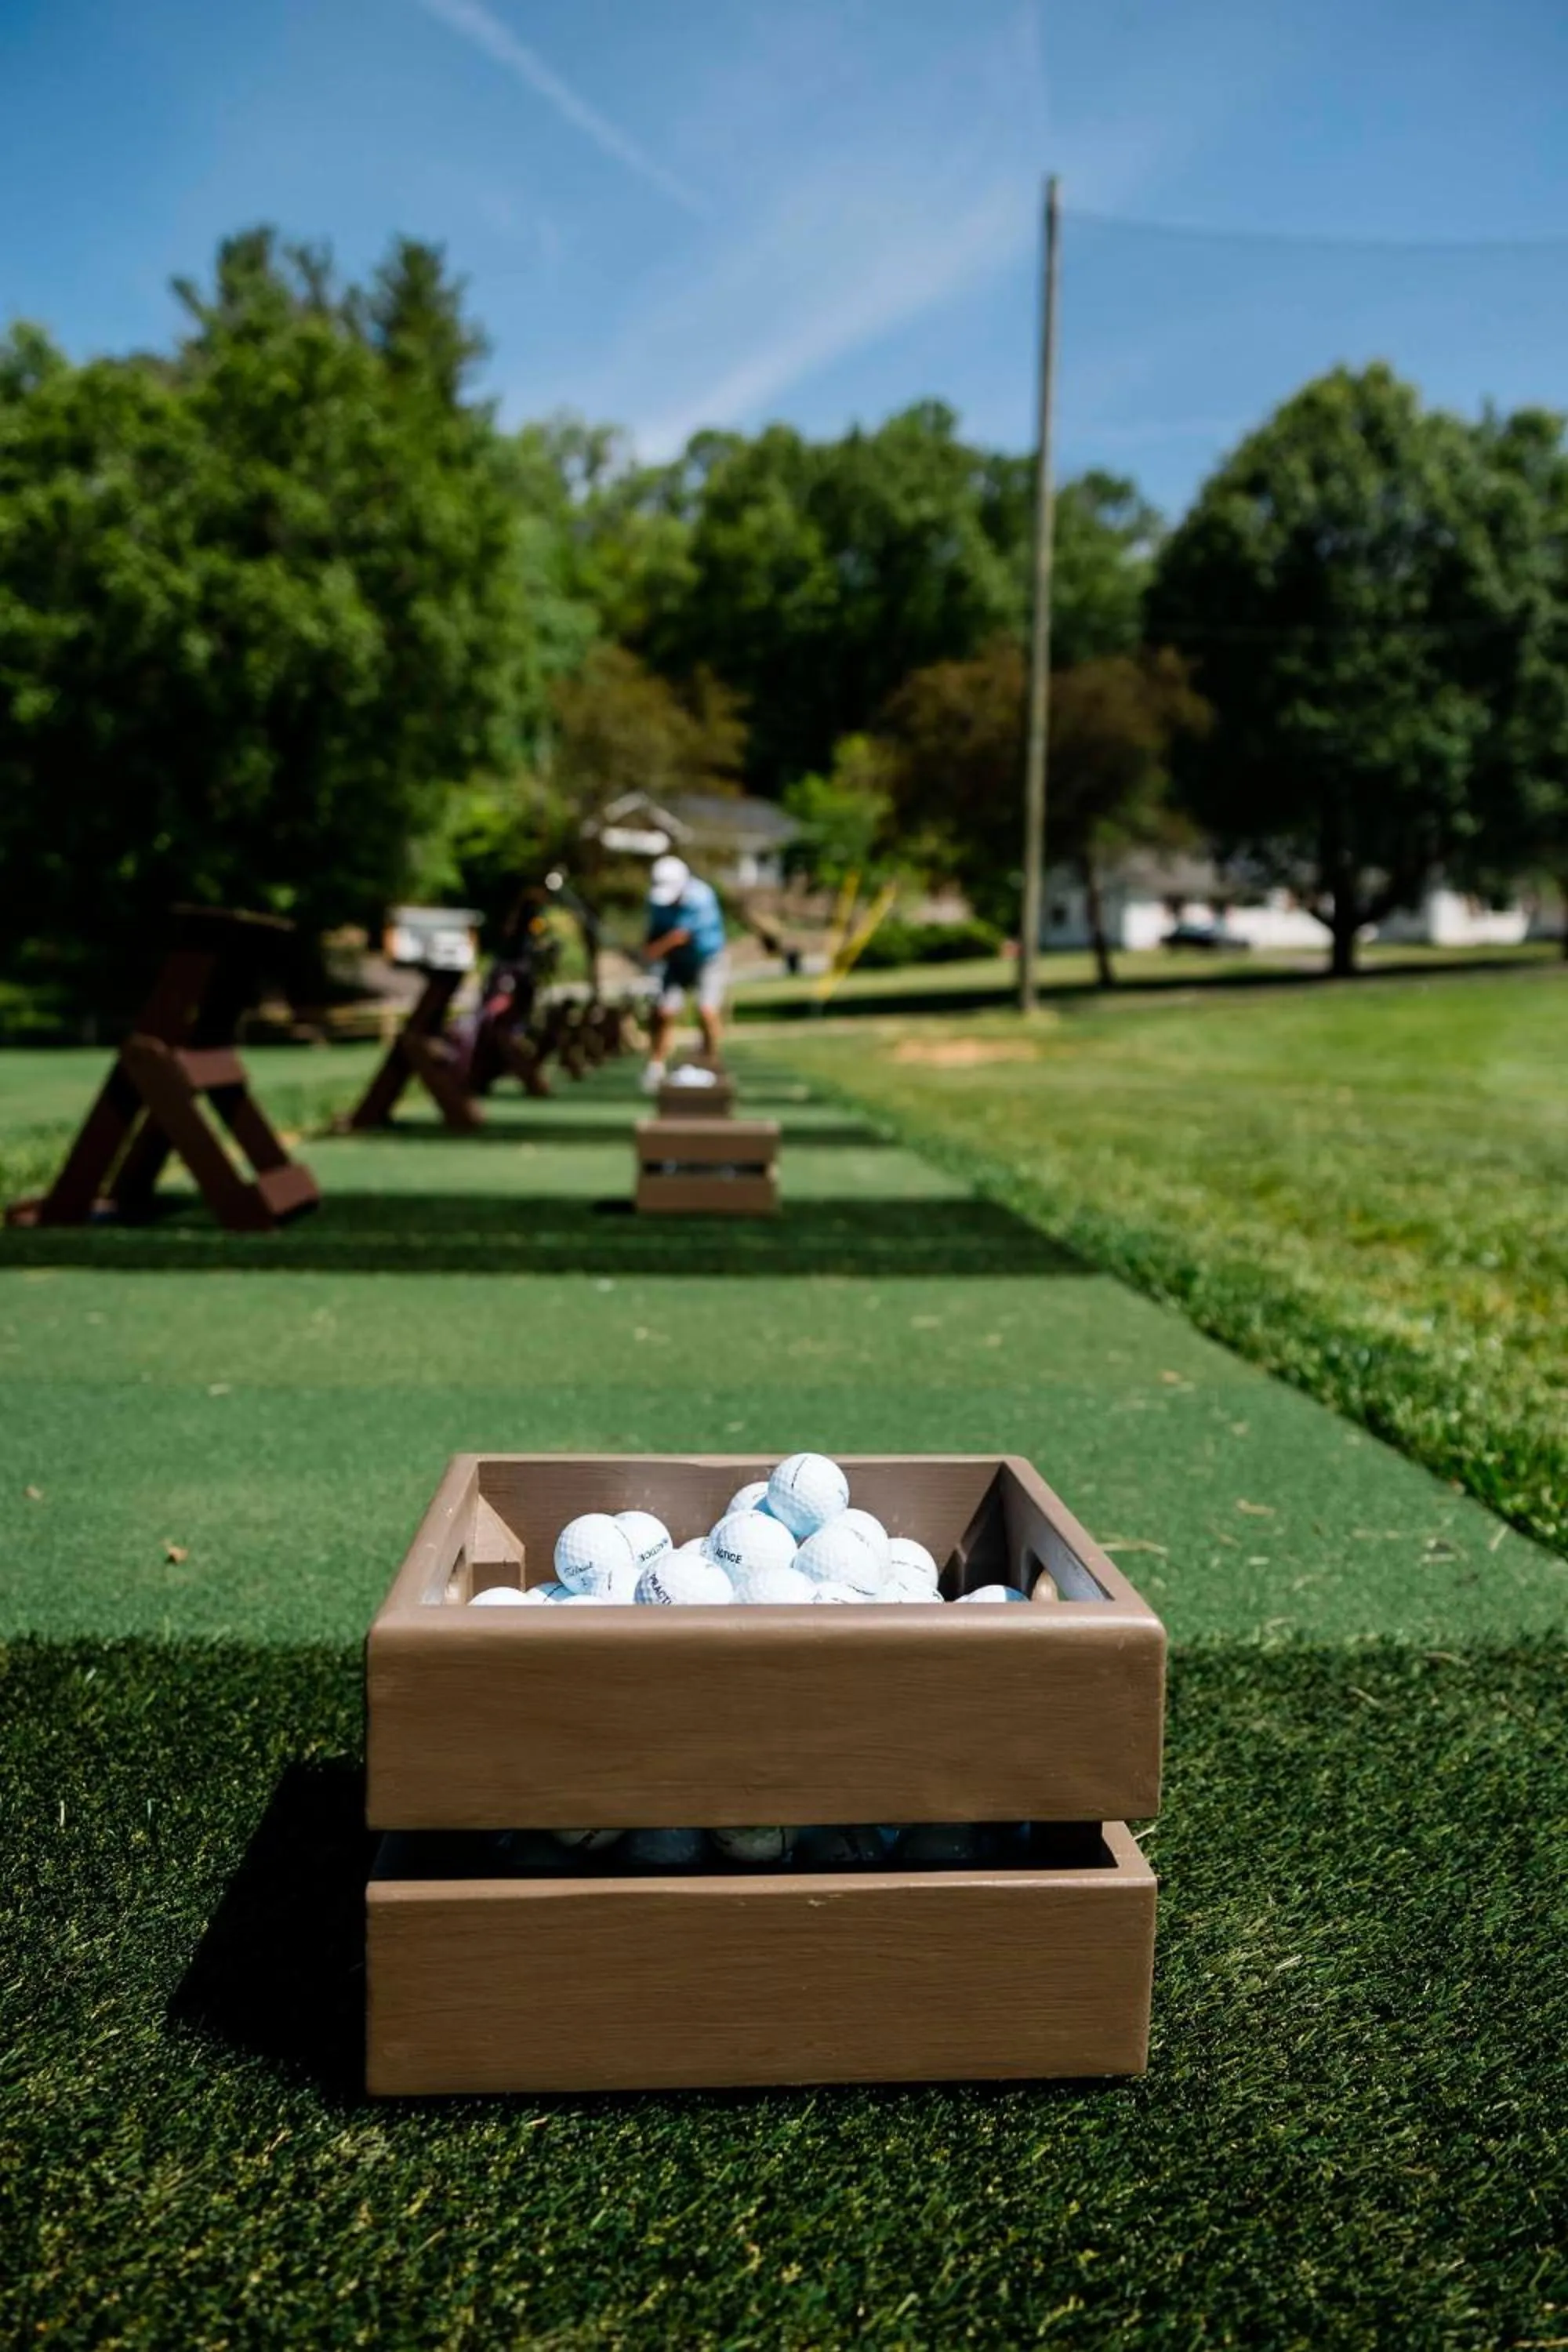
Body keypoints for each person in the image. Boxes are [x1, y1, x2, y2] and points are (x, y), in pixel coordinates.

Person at [641, 854, 728, 1093]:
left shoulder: (702, 897)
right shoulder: (656, 901)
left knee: (707, 1012)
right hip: (675, 963)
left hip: (707, 960)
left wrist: (652, 951)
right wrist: (647, 949)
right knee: (664, 1011)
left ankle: (711, 1064)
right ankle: (656, 1066)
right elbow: (654, 933)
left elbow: (680, 937)